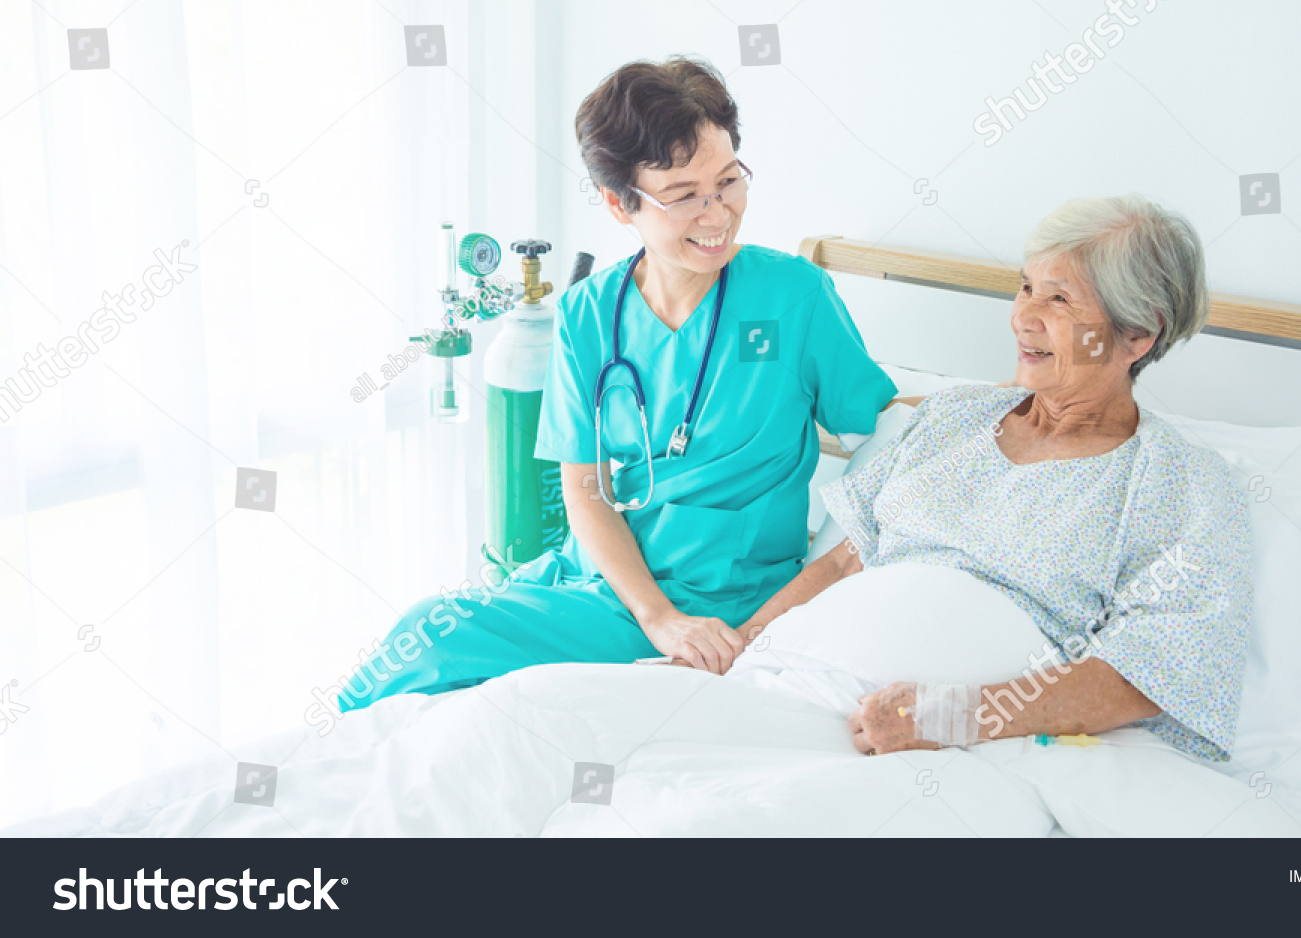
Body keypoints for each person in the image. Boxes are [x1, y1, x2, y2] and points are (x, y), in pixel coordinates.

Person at [337, 56, 895, 710]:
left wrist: (998, 413)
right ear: (617, 203)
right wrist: (657, 617)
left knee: (438, 643)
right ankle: (315, 769)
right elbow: (584, 489)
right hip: (604, 584)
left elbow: (885, 426)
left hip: (721, 599)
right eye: (684, 195)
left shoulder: (794, 296)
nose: (717, 214)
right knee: (429, 630)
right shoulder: (586, 314)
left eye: (729, 181)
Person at [741, 194, 1253, 762]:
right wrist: (739, 644)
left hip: (944, 749)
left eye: (1058, 299)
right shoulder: (952, 417)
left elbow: (1149, 675)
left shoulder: (1182, 487)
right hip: (787, 681)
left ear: (1137, 334)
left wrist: (951, 716)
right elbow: (845, 560)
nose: (1023, 317)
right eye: (1026, 286)